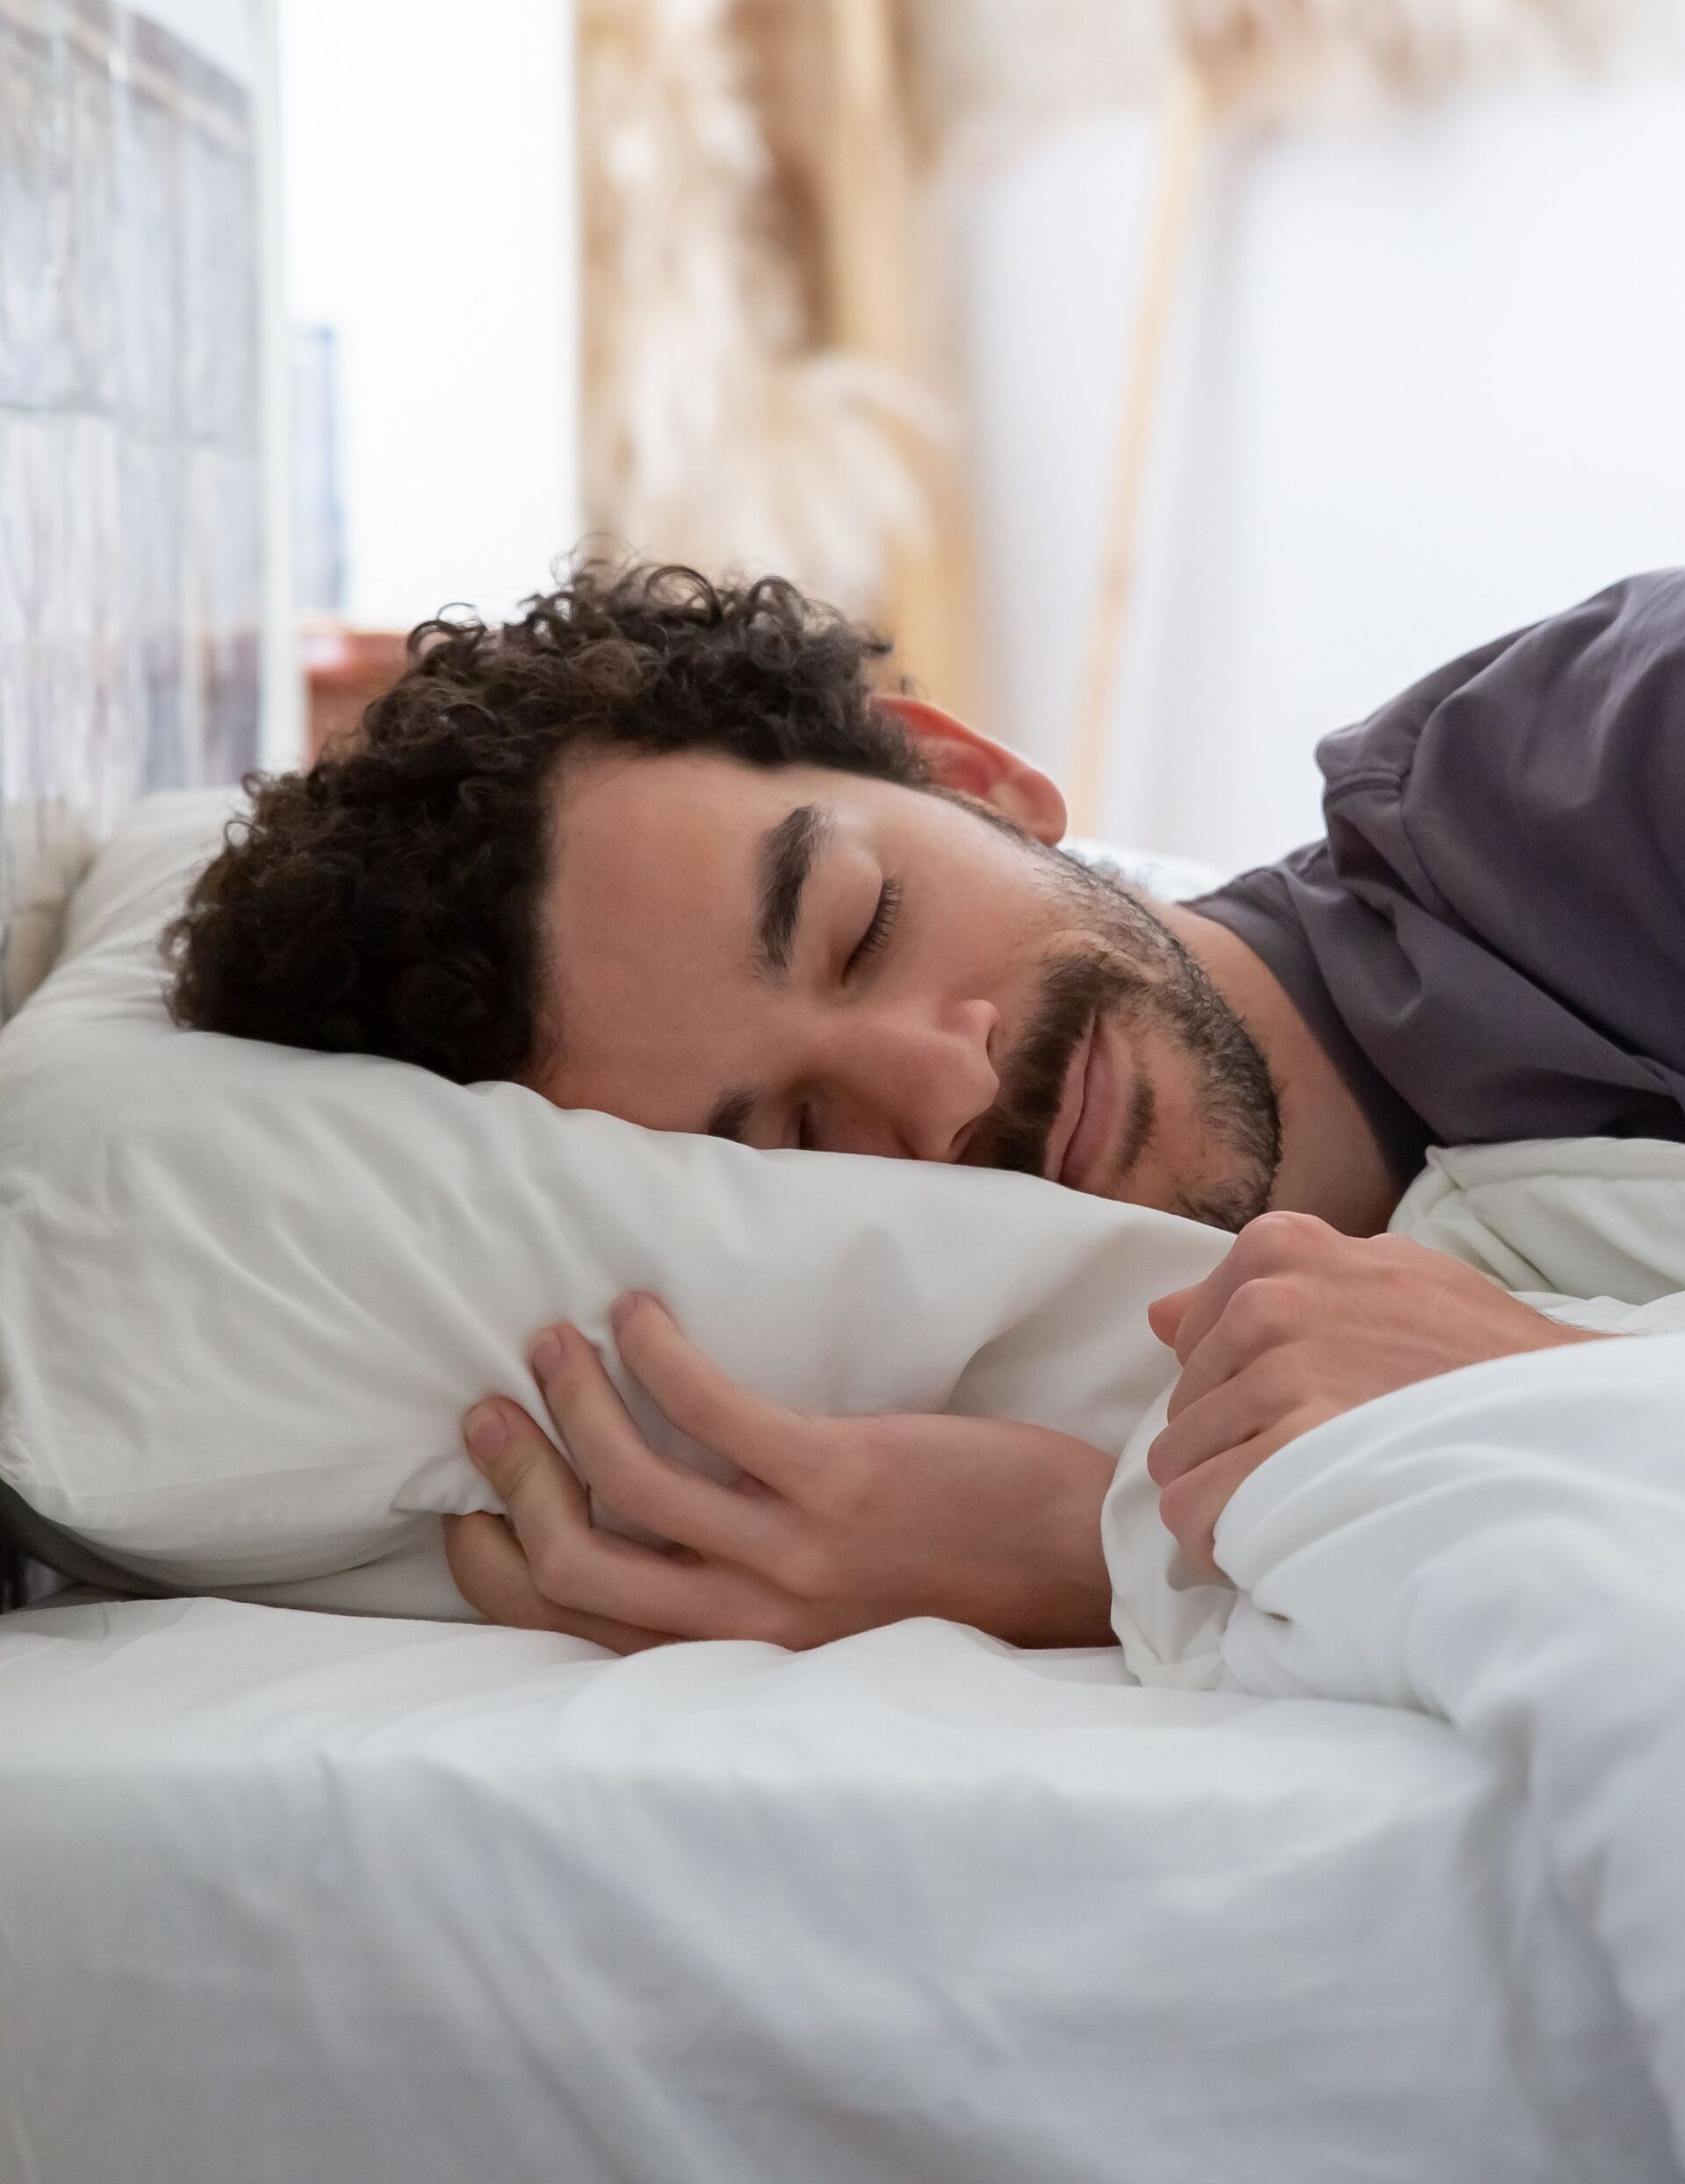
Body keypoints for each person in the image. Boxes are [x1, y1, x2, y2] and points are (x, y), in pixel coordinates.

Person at [171, 562, 1685, 1651]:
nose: (949, 1085)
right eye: (794, 1140)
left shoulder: (1614, 775)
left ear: (972, 774)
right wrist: (1087, 1552)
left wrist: (1528, 1386)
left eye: (862, 924)